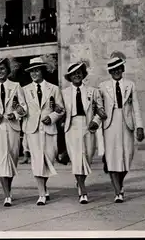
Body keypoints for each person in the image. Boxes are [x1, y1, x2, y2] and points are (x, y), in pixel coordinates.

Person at [98, 52, 145, 203]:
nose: (116, 71)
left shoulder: (130, 85)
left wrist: (139, 127)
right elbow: (98, 106)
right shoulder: (102, 86)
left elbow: (136, 107)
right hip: (110, 124)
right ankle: (118, 192)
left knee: (127, 157)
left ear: (122, 68)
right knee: (112, 158)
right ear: (109, 72)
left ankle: (120, 182)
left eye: (119, 68)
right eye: (113, 69)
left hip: (127, 124)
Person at [22, 57, 65, 206]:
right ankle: (41, 193)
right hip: (32, 130)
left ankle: (44, 186)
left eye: (37, 70)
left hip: (49, 129)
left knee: (49, 159)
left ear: (42, 71)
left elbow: (61, 109)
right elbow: (22, 110)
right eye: (32, 71)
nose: (34, 73)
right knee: (37, 161)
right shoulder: (25, 90)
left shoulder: (53, 89)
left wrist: (52, 117)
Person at [0, 58, 28, 207]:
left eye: (2, 68)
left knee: (12, 159)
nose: (0, 71)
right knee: (2, 161)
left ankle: (8, 188)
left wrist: (15, 114)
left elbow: (23, 106)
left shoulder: (16, 86)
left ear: (7, 70)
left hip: (12, 127)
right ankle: (7, 194)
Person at [61, 61, 105, 204]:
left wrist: (96, 121)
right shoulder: (64, 93)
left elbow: (100, 110)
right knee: (76, 159)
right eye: (74, 73)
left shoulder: (93, 91)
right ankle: (82, 190)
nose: (77, 75)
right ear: (70, 77)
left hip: (88, 127)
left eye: (79, 72)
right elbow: (60, 111)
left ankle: (79, 182)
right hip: (72, 127)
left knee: (87, 158)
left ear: (83, 74)